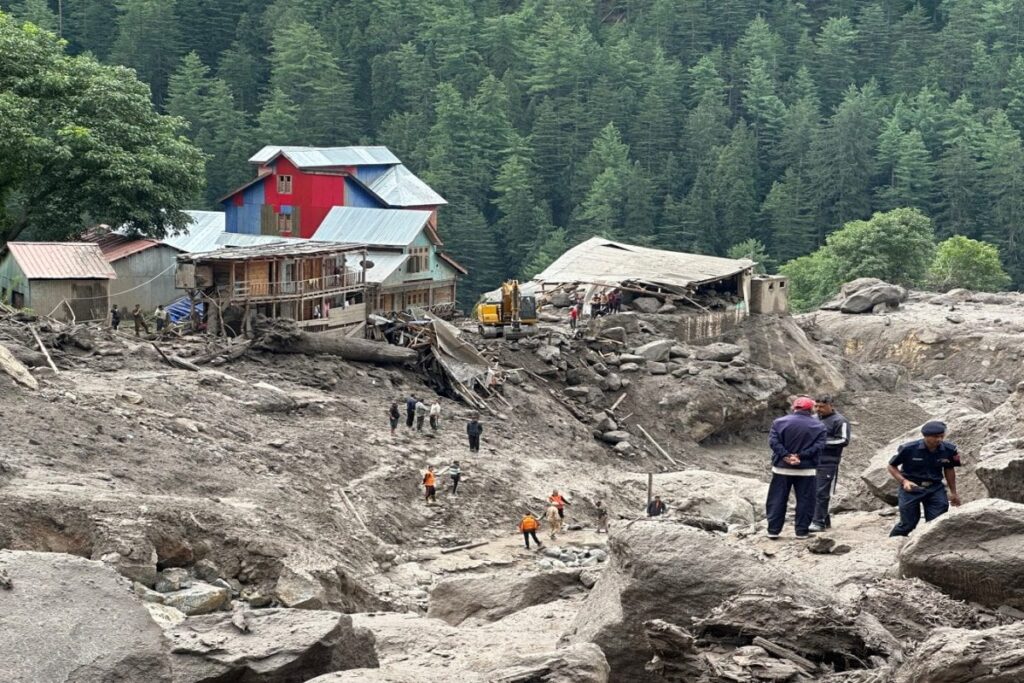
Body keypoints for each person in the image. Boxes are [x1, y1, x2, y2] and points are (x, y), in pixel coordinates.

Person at [766, 396, 827, 540]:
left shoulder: (779, 422)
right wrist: (801, 456)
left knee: (777, 499)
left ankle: (773, 530)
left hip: (782, 468)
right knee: (806, 500)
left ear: (794, 408)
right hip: (806, 469)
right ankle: (802, 531)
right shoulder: (819, 426)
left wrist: (786, 455)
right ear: (811, 408)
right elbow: (819, 446)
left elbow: (773, 442)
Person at [888, 421, 962, 537]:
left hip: (935, 488)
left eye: (942, 436)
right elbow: (891, 466)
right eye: (935, 437)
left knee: (936, 524)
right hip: (911, 488)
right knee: (908, 523)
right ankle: (892, 544)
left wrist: (953, 492)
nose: (939, 439)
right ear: (925, 436)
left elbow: (949, 469)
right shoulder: (908, 449)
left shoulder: (949, 450)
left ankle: (931, 548)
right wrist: (904, 481)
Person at [810, 395, 851, 532]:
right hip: (811, 461)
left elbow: (844, 440)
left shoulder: (840, 421)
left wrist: (821, 444)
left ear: (831, 405)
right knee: (811, 490)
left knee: (821, 492)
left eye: (822, 406)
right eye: (816, 406)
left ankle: (818, 522)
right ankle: (822, 518)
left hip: (828, 462)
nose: (818, 409)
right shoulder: (813, 418)